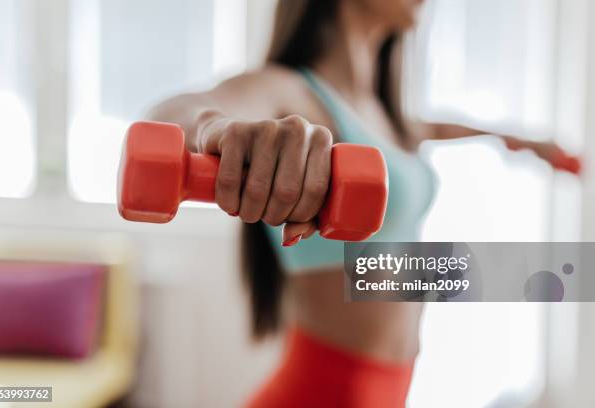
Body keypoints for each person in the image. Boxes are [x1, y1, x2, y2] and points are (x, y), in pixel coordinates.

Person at [146, 0, 578, 406]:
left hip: (391, 387)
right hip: (325, 390)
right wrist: (212, 127)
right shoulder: (292, 92)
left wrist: (516, 140)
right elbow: (176, 112)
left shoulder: (382, 110)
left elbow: (433, 127)